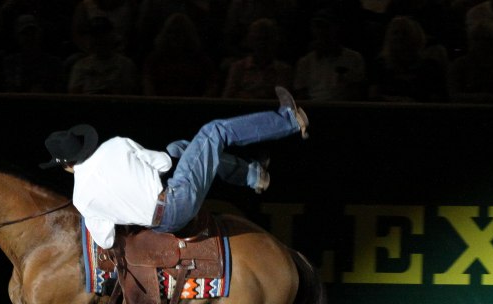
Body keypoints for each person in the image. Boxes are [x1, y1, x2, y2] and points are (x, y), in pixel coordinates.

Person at [39, 86, 308, 249]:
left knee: (180, 146)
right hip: (177, 200)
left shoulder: (81, 199)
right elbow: (164, 163)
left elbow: (106, 240)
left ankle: (253, 175)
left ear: (67, 168)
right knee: (212, 131)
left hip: (160, 225)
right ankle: (289, 121)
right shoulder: (115, 146)